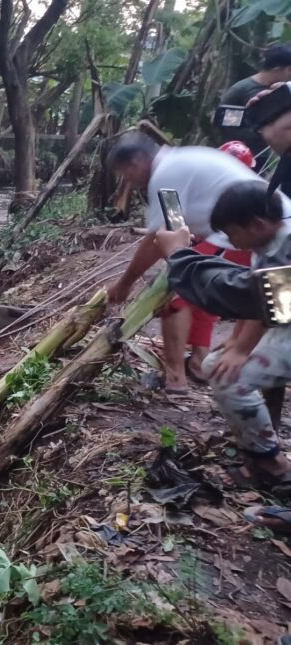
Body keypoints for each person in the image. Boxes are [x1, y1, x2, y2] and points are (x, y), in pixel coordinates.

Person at [154, 182, 291, 501]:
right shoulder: (268, 244)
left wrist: (179, 255)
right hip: (284, 323)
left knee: (226, 375)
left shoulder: (285, 248)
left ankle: (270, 462)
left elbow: (255, 294)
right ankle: (260, 450)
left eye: (232, 234)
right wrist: (237, 343)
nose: (231, 242)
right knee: (224, 360)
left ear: (256, 225)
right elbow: (261, 302)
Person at [106, 133, 266, 392]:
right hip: (255, 228)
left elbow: (161, 238)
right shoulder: (180, 161)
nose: (128, 182)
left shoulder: (165, 176)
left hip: (246, 232)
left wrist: (124, 283)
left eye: (125, 174)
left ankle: (175, 378)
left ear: (134, 163)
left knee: (175, 293)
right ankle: (201, 361)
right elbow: (178, 227)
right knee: (201, 288)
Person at [220, 44, 291, 170]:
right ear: (277, 69)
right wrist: (259, 131)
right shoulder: (242, 90)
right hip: (236, 156)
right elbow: (225, 124)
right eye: (290, 70)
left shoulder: (283, 91)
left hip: (262, 157)